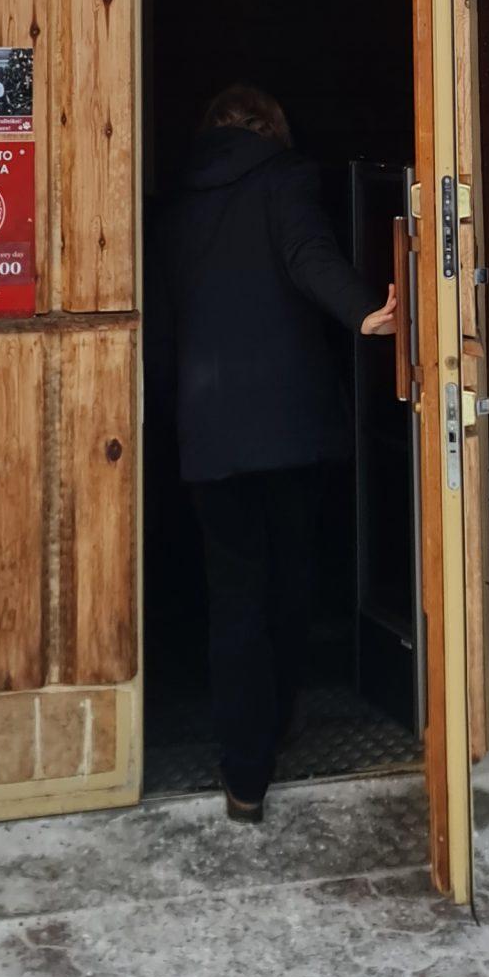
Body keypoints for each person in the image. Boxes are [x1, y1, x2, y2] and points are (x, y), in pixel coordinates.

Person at [153, 84, 395, 822]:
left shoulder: (172, 203)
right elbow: (307, 255)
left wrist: (170, 414)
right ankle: (281, 718)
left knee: (233, 599)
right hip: (288, 431)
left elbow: (161, 324)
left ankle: (244, 776)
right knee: (289, 585)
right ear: (272, 131)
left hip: (209, 430)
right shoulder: (285, 180)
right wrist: (366, 311)